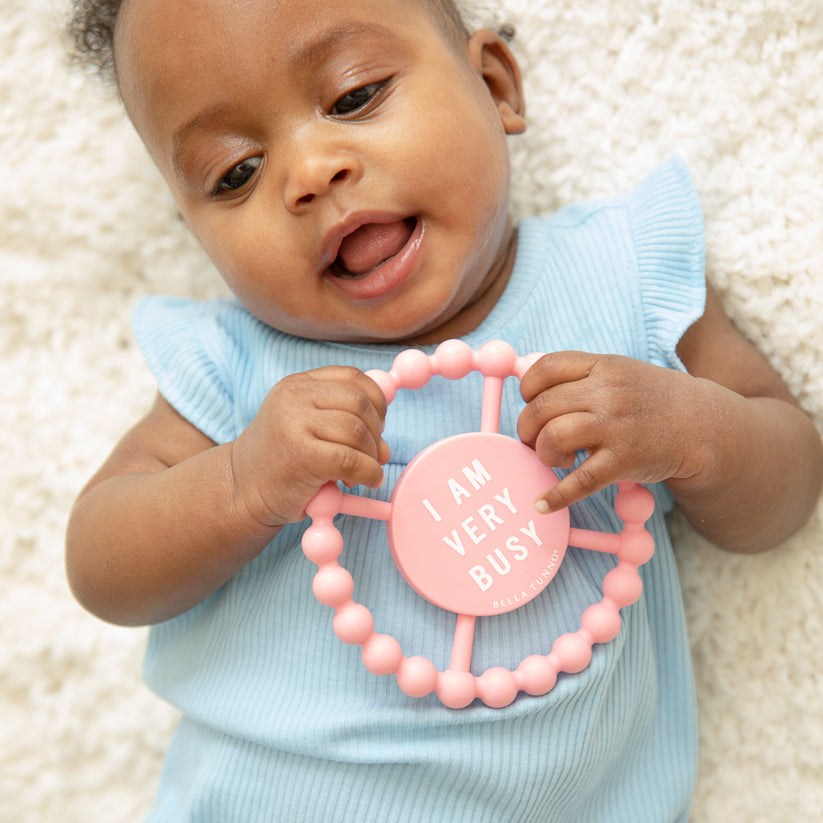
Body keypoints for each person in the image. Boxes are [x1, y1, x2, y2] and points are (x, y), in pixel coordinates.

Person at [64, 0, 823, 820]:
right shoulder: (237, 365)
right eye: (234, 172)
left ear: (493, 84)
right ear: (195, 228)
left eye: (354, 95)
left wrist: (696, 432)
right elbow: (102, 564)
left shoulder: (619, 278)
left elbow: (784, 488)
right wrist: (243, 482)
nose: (310, 170)